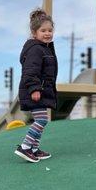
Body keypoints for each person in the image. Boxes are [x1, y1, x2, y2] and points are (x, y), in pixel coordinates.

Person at [14, 8, 58, 163]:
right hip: (33, 91)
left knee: (42, 120)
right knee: (41, 120)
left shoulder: (43, 48)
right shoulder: (35, 50)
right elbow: (30, 71)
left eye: (50, 30)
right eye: (43, 30)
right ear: (34, 33)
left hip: (41, 91)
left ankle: (34, 149)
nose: (47, 33)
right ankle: (25, 147)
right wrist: (34, 89)